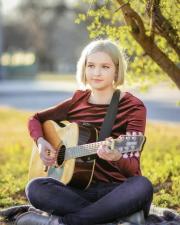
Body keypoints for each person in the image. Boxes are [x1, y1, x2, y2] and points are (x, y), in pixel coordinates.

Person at [13, 39, 153, 225]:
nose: (96, 72)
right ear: (84, 68)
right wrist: (41, 142)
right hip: (76, 190)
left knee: (142, 186)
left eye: (105, 66)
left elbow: (133, 169)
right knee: (35, 187)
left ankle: (61, 222)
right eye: (91, 65)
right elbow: (35, 119)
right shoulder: (77, 101)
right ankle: (110, 217)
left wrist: (117, 157)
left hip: (116, 191)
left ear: (117, 70)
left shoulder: (133, 107)